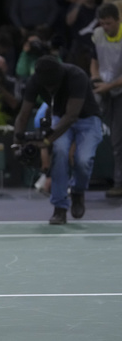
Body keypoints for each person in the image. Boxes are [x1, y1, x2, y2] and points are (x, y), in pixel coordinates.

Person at [13, 55, 103, 225]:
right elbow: (23, 115)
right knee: (60, 153)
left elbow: (72, 116)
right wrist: (16, 145)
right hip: (59, 116)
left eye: (54, 85)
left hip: (88, 119)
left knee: (83, 160)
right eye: (47, 86)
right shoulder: (35, 81)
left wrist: (47, 141)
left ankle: (77, 191)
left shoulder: (76, 76)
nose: (51, 89)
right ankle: (59, 208)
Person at [90, 2, 122, 197]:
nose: (105, 27)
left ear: (118, 21)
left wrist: (108, 86)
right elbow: (94, 61)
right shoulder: (98, 34)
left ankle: (119, 183)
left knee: (118, 140)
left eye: (109, 23)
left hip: (119, 91)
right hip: (102, 87)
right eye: (102, 23)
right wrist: (95, 78)